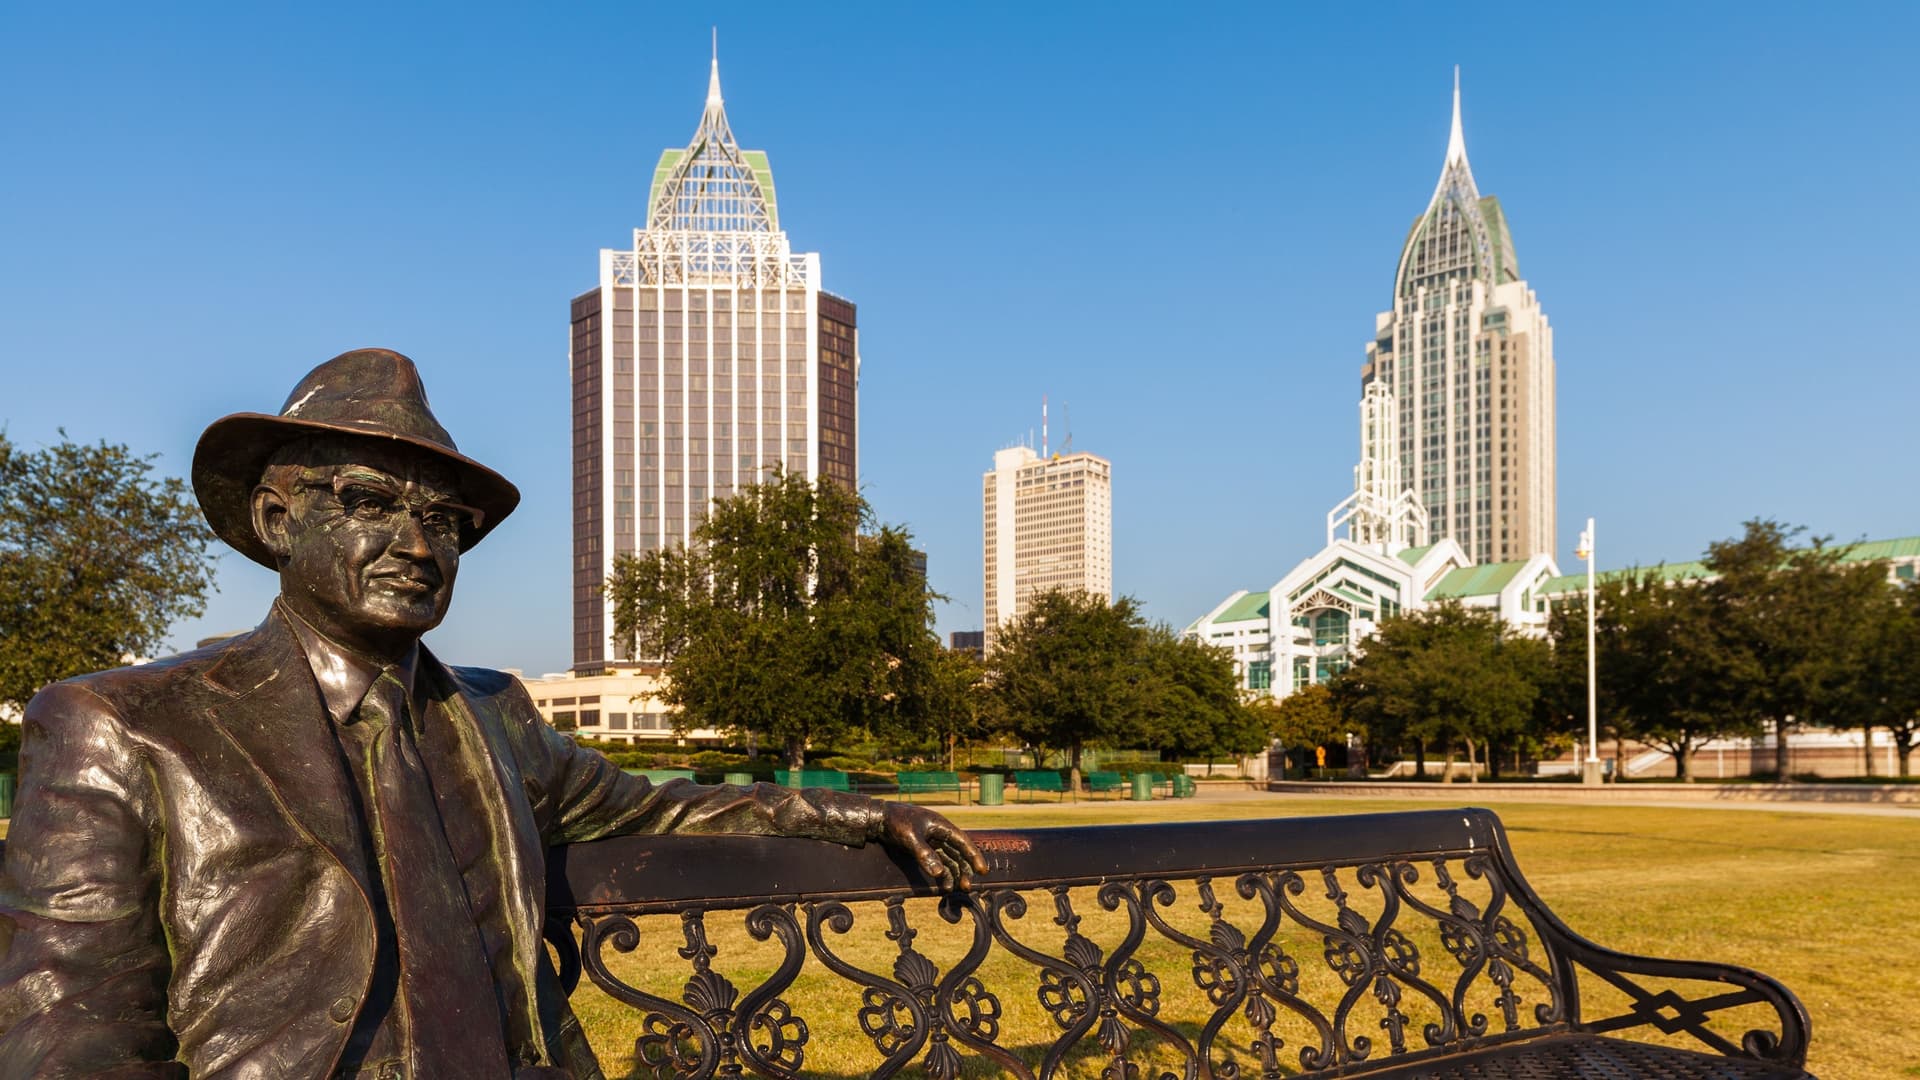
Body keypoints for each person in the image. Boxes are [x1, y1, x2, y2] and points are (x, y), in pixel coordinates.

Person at [0, 349, 985, 1079]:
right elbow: (64, 1029)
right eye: (370, 501)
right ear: (276, 520)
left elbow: (658, 812)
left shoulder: (493, 715)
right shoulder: (124, 726)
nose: (416, 544)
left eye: (442, 521)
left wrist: (854, 813)